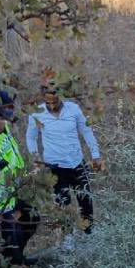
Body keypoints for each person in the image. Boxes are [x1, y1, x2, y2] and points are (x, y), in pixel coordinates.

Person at [26, 86, 102, 240]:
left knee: (86, 199)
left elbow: (86, 130)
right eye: (48, 102)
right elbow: (31, 137)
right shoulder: (37, 113)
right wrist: (36, 159)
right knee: (62, 203)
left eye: (55, 101)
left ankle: (89, 233)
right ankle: (68, 239)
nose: (52, 105)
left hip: (77, 162)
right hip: (55, 167)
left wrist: (95, 155)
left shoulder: (73, 109)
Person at [0, 92, 38, 263]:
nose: (7, 121)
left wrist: (26, 174)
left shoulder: (2, 130)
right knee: (12, 239)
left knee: (32, 219)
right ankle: (13, 264)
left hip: (13, 193)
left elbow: (12, 154)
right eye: (3, 117)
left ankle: (16, 258)